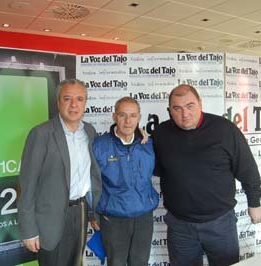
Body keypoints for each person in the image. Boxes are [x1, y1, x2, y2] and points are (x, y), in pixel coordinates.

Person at [153, 84, 261, 266]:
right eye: (177, 108)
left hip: (220, 223)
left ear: (200, 103)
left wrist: (254, 202)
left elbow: (247, 168)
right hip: (180, 226)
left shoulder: (225, 130)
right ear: (169, 110)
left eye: (190, 106)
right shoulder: (161, 133)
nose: (184, 114)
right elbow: (155, 168)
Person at [17, 79, 102, 266]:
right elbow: (27, 185)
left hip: (80, 213)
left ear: (85, 103)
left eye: (80, 99)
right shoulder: (41, 134)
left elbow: (92, 176)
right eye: (67, 98)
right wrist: (29, 230)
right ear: (58, 103)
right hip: (50, 220)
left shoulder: (89, 131)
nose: (74, 105)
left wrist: (92, 214)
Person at [91, 97, 159, 266]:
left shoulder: (149, 144)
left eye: (133, 115)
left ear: (139, 118)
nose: (128, 121)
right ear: (114, 117)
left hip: (143, 217)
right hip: (113, 219)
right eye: (122, 115)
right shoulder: (99, 145)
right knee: (116, 263)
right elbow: (91, 183)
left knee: (140, 262)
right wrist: (93, 214)